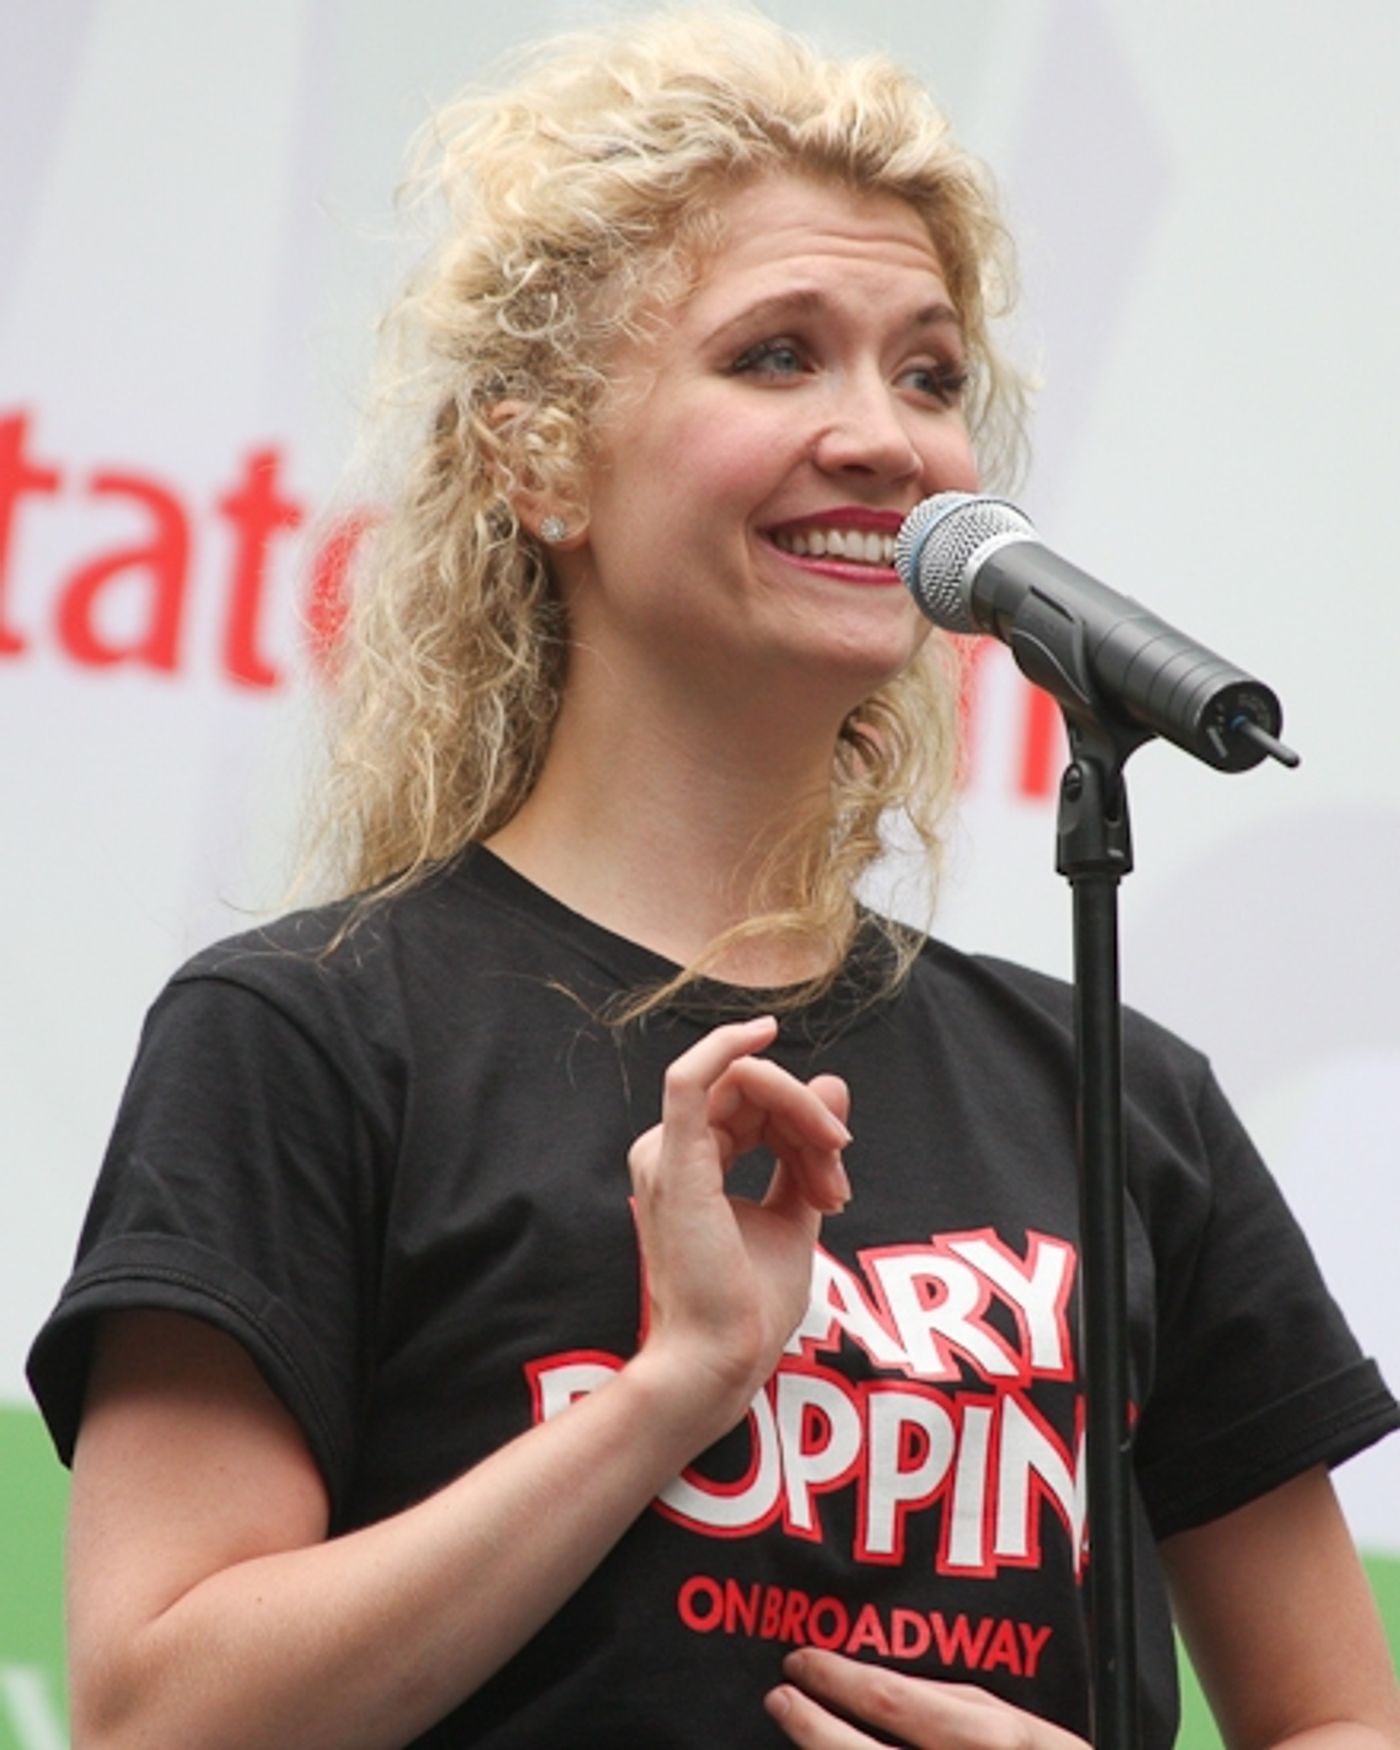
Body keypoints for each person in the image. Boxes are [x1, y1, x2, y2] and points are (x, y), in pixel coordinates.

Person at [26, 9, 1400, 1748]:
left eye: (929, 372)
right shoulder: (312, 1035)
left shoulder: (1120, 1094)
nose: (886, 440)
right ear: (537, 461)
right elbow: (154, 1718)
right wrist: (673, 1389)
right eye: (774, 357)